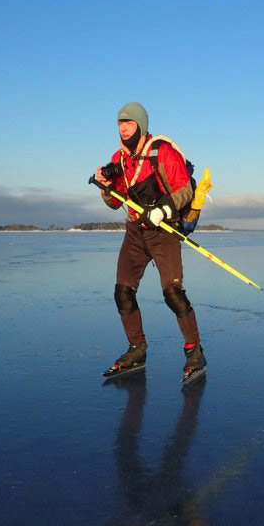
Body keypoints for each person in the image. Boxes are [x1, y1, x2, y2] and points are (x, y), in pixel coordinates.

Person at [95, 102, 206, 380]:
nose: (123, 129)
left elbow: (183, 190)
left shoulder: (162, 151)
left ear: (141, 125)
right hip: (135, 231)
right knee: (122, 292)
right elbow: (112, 202)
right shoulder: (119, 158)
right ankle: (137, 349)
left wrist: (163, 210)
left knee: (173, 293)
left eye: (128, 123)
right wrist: (107, 189)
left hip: (164, 230)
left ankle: (195, 352)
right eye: (120, 124)